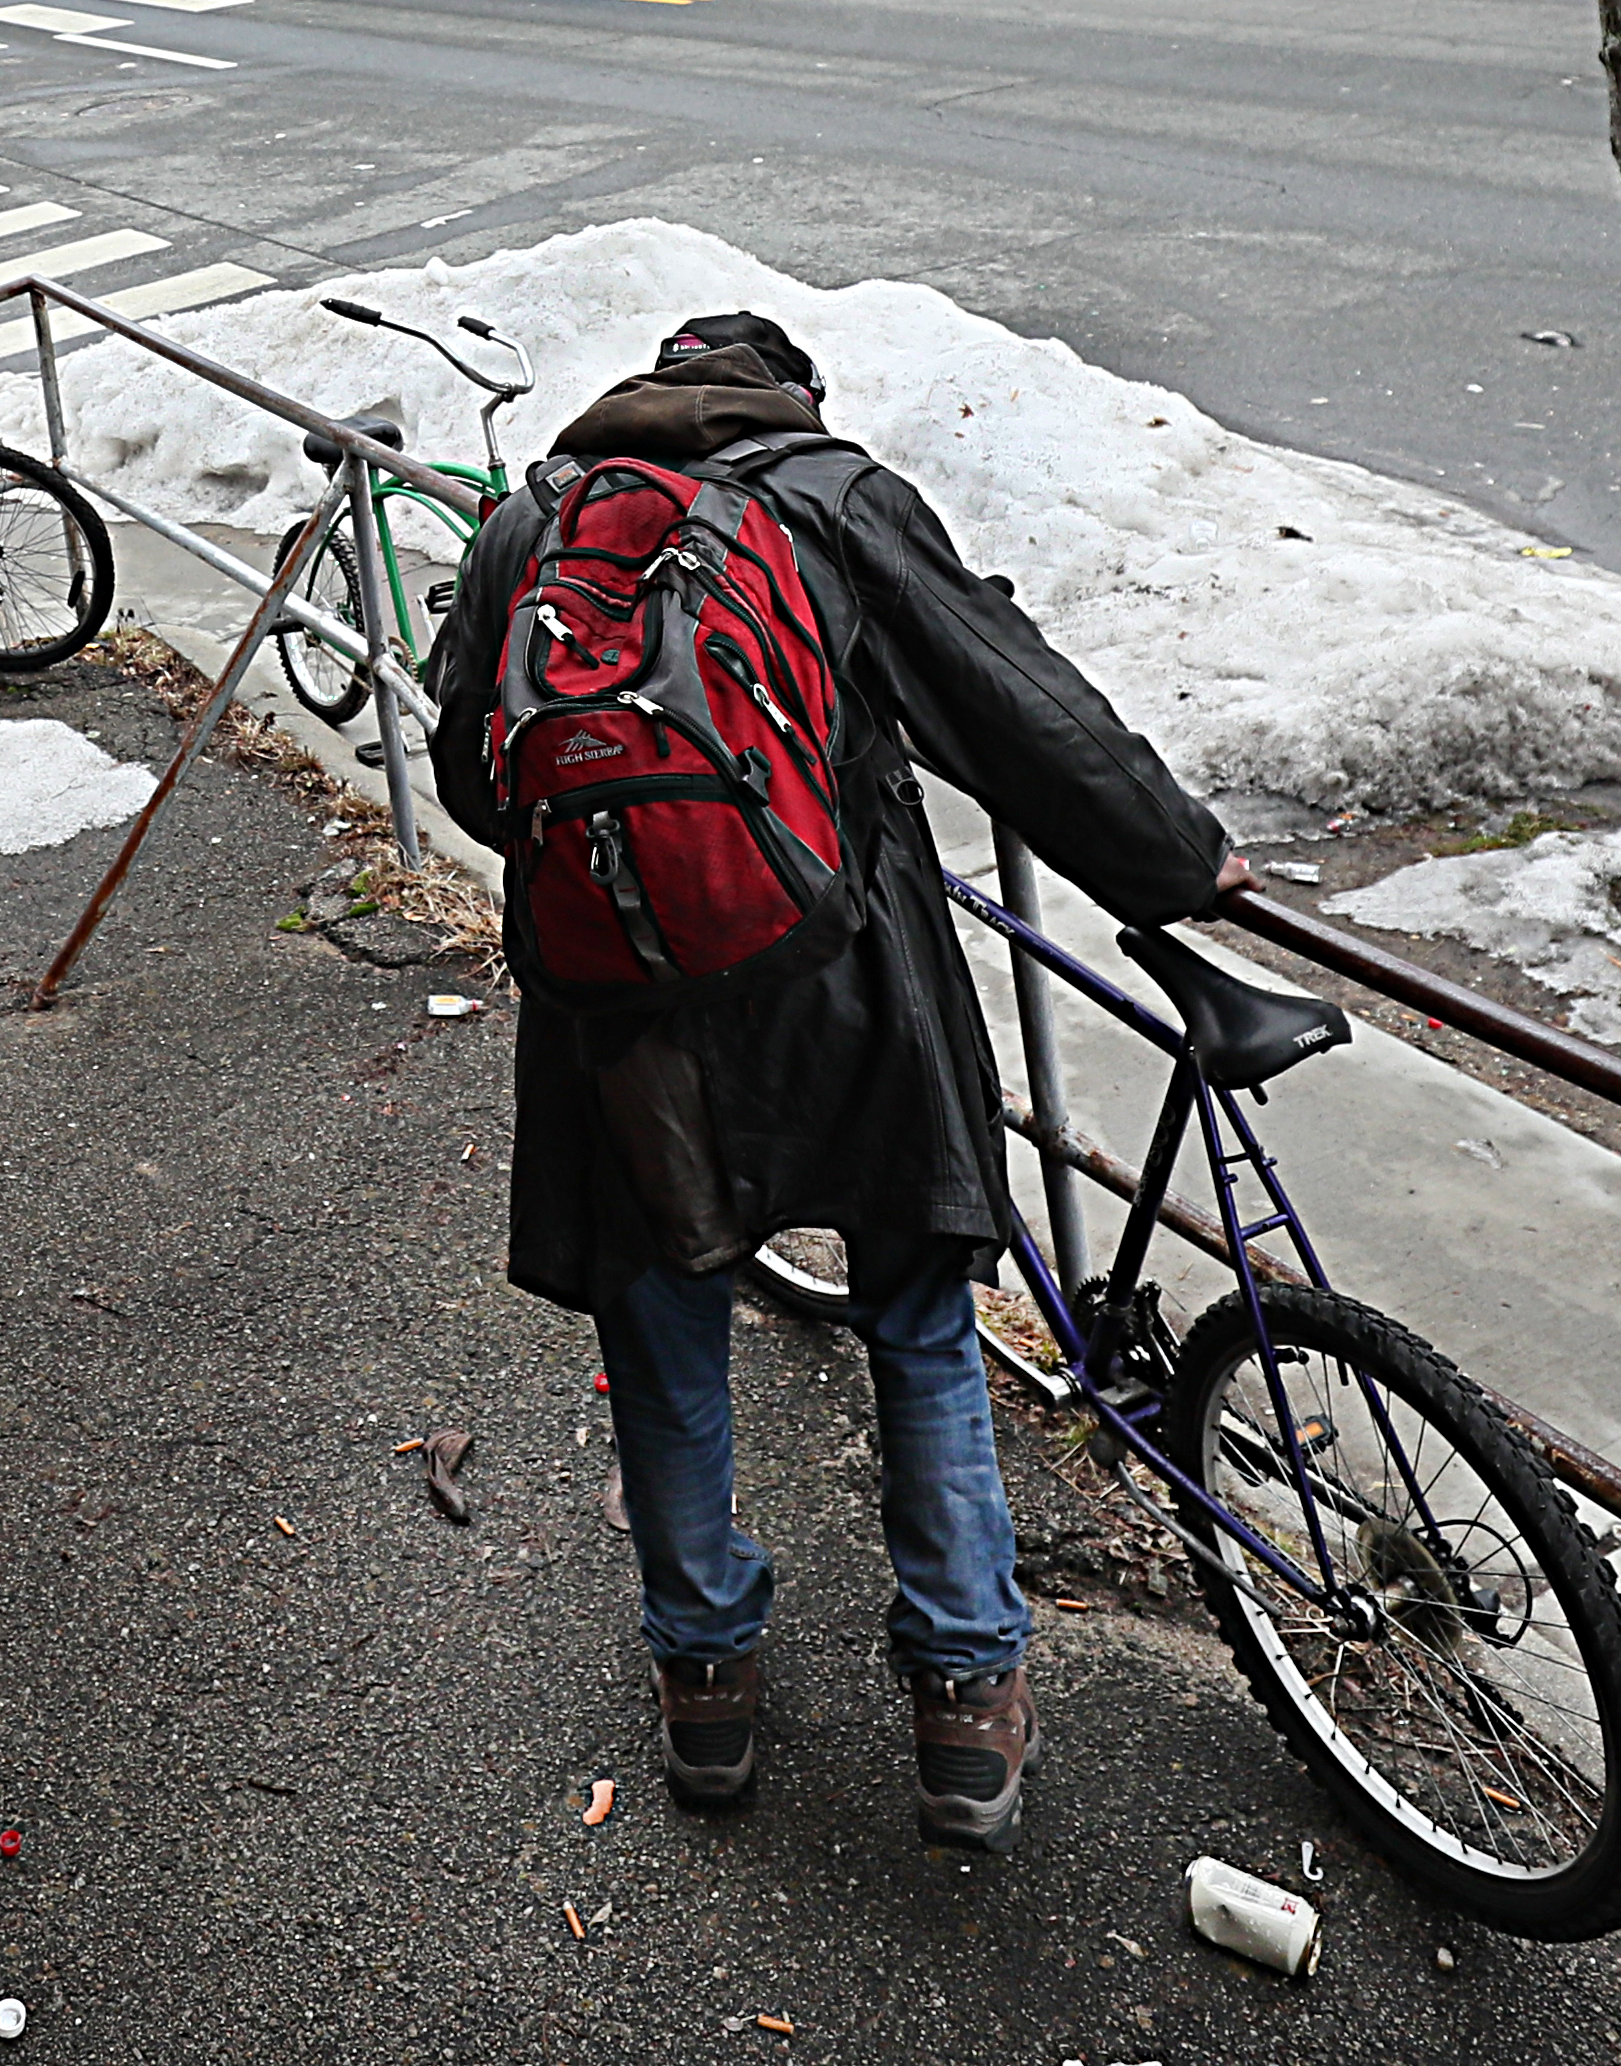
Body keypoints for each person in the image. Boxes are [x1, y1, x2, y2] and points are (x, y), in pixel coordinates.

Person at [427, 308, 1244, 1853]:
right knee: (921, 1327)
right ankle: (960, 1706)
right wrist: (1179, 856)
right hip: (848, 980)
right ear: (790, 395)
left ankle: (709, 1684)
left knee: (665, 1336)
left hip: (626, 1017)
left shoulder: (533, 519)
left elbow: (478, 771)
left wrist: (651, 873)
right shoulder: (831, 495)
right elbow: (1015, 703)